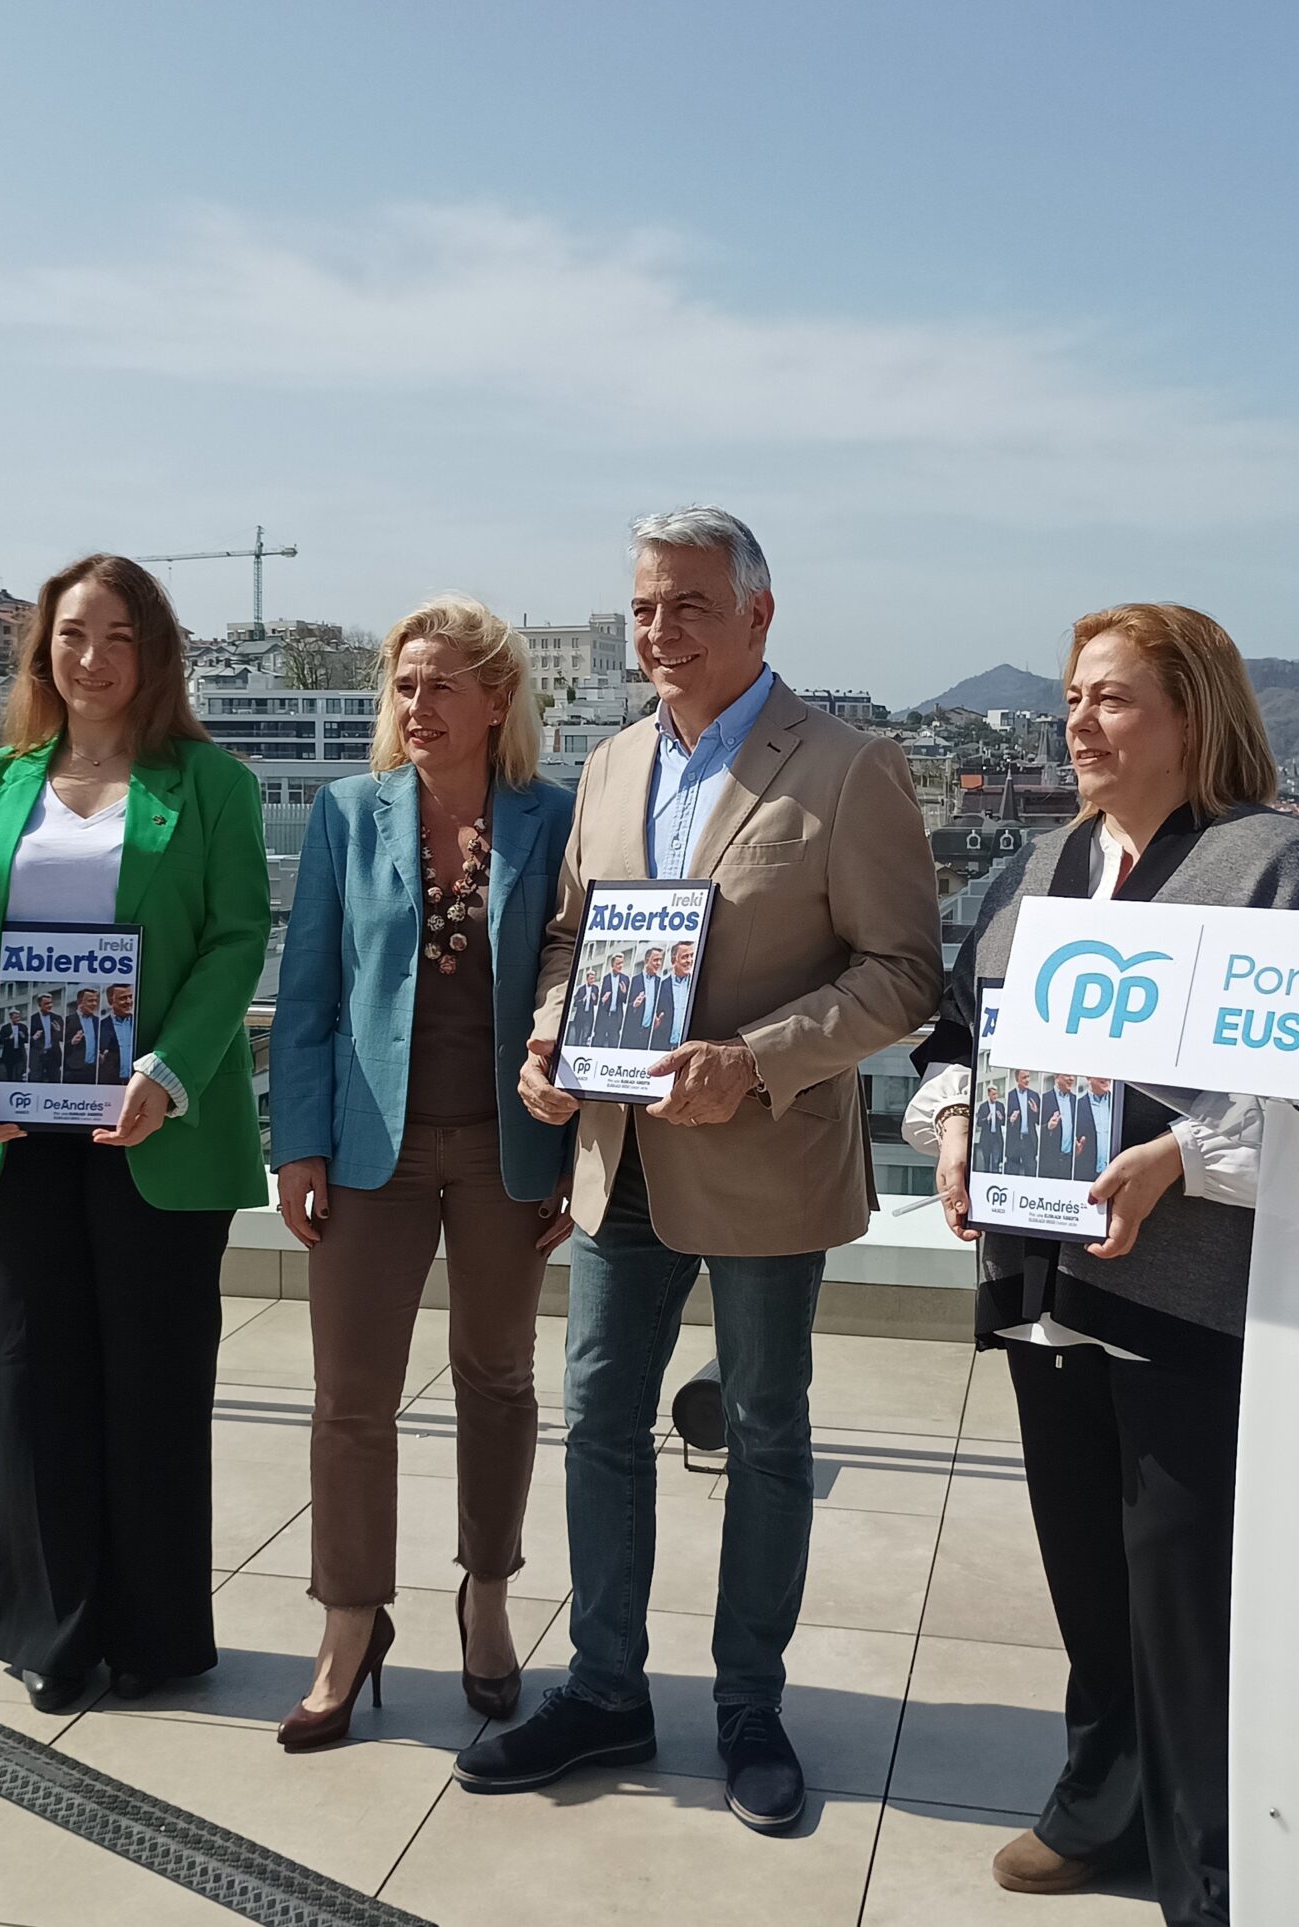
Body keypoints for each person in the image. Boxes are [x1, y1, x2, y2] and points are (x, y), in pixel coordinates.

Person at [454, 506, 940, 1835]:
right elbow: (570, 938)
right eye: (644, 606)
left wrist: (756, 1058)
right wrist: (551, 1033)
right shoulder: (611, 765)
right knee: (600, 1419)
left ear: (758, 616)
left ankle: (748, 1707)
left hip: (766, 1154)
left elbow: (902, 972)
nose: (660, 630)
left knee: (765, 1431)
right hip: (618, 1156)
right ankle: (606, 1688)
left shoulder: (847, 766)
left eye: (689, 604)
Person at [903, 602, 1299, 1927]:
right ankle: (1098, 1801)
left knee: (1183, 1580)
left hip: (1184, 1287)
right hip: (1041, 1275)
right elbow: (955, 1038)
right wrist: (952, 1126)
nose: (1079, 723)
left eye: (1110, 698)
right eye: (1072, 698)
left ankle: (1207, 1861)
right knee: (1086, 1568)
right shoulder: (1038, 864)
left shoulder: (1278, 865)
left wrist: (1181, 1159)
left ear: (1191, 714)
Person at [0, 552, 269, 1715]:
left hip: (151, 1126)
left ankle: (153, 1631)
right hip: (15, 1127)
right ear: (41, 651)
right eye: (72, 634)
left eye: (119, 636)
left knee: (153, 1382)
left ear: (153, 653)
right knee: (34, 1381)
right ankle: (51, 1633)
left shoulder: (209, 784)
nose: (93, 657)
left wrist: (168, 1073)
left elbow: (236, 938)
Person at [268, 595, 577, 1750]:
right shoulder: (347, 813)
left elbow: (578, 981)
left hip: (507, 1149)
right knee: (350, 1398)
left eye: (441, 684)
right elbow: (307, 992)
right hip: (367, 1151)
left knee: (496, 1381)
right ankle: (350, 1623)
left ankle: (486, 1598)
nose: (416, 704)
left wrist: (572, 1153)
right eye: (403, 685)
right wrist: (296, 1142)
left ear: (497, 699)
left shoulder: (554, 817)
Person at [64, 985, 108, 1084]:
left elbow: (102, 1042)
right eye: (90, 1001)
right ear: (80, 1002)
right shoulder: (68, 1021)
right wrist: (72, 1042)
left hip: (94, 1070)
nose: (94, 1004)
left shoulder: (98, 1021)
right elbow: (61, 1047)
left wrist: (102, 1053)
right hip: (74, 1071)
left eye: (96, 1001)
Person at [28, 992, 65, 1083]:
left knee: (55, 1081)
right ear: (39, 1005)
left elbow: (62, 1038)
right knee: (36, 1081)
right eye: (46, 1004)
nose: (50, 1005)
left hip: (53, 1056)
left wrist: (59, 1031)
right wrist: (34, 1037)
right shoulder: (32, 1019)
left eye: (51, 1003)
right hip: (37, 1056)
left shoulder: (57, 1018)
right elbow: (26, 1040)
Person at [567, 964, 605, 1047]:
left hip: (588, 1015)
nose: (592, 980)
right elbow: (575, 1003)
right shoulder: (581, 989)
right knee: (577, 1035)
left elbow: (596, 1003)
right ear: (587, 979)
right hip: (580, 1015)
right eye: (591, 978)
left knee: (586, 1035)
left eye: (593, 978)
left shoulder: (595, 988)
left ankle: (583, 1046)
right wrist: (582, 1000)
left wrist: (594, 999)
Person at [0, 1007, 30, 1085]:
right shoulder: (5, 1028)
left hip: (19, 1053)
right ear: (11, 1017)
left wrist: (23, 1036)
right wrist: (9, 1038)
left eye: (18, 1017)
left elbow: (27, 1040)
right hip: (9, 1054)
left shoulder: (23, 1027)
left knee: (19, 1072)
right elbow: (0, 1041)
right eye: (15, 1017)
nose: (17, 1019)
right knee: (9, 1072)